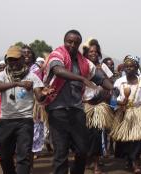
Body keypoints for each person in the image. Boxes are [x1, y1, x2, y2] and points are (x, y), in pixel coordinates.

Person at [43, 30, 113, 174]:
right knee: (61, 153)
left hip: (77, 110)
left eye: (76, 42)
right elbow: (58, 71)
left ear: (80, 44)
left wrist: (115, 88)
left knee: (82, 150)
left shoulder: (84, 62)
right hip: (58, 110)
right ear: (64, 41)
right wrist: (81, 78)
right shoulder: (57, 55)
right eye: (69, 41)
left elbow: (100, 78)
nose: (72, 45)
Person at [0, 45, 53, 174]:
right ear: (6, 60)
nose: (13, 63)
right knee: (4, 156)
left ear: (22, 59)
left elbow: (39, 96)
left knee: (23, 157)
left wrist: (45, 94)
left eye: (16, 59)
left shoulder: (32, 76)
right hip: (6, 120)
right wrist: (18, 83)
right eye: (10, 60)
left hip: (24, 121)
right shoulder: (2, 75)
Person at [82, 39, 114, 174]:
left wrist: (106, 93)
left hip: (100, 105)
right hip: (85, 105)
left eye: (95, 51)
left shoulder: (103, 67)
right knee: (85, 136)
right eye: (90, 51)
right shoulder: (82, 66)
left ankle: (96, 164)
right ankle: (87, 160)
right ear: (86, 53)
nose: (93, 53)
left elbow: (110, 83)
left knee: (97, 134)